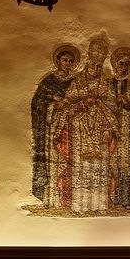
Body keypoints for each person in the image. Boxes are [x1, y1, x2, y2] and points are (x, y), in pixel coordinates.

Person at [50, 34, 118, 213]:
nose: (96, 66)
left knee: (98, 169)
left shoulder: (106, 84)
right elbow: (68, 106)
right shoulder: (77, 82)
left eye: (99, 63)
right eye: (93, 62)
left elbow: (112, 108)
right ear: (88, 59)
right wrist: (83, 104)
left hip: (99, 132)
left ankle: (99, 205)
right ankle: (80, 204)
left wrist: (107, 129)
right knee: (80, 168)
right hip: (79, 131)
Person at [31, 44, 79, 206]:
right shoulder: (48, 81)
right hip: (52, 127)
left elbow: (79, 102)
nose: (68, 63)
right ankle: (51, 196)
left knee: (69, 159)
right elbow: (37, 103)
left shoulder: (76, 81)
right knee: (52, 158)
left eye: (71, 61)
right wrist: (53, 103)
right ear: (57, 61)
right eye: (64, 60)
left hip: (71, 127)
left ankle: (68, 197)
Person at [109, 47, 130, 210]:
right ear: (115, 66)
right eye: (120, 64)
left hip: (128, 131)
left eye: (126, 64)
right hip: (111, 130)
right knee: (111, 163)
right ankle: (112, 199)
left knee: (127, 166)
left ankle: (127, 199)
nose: (123, 67)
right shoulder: (107, 85)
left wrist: (127, 104)